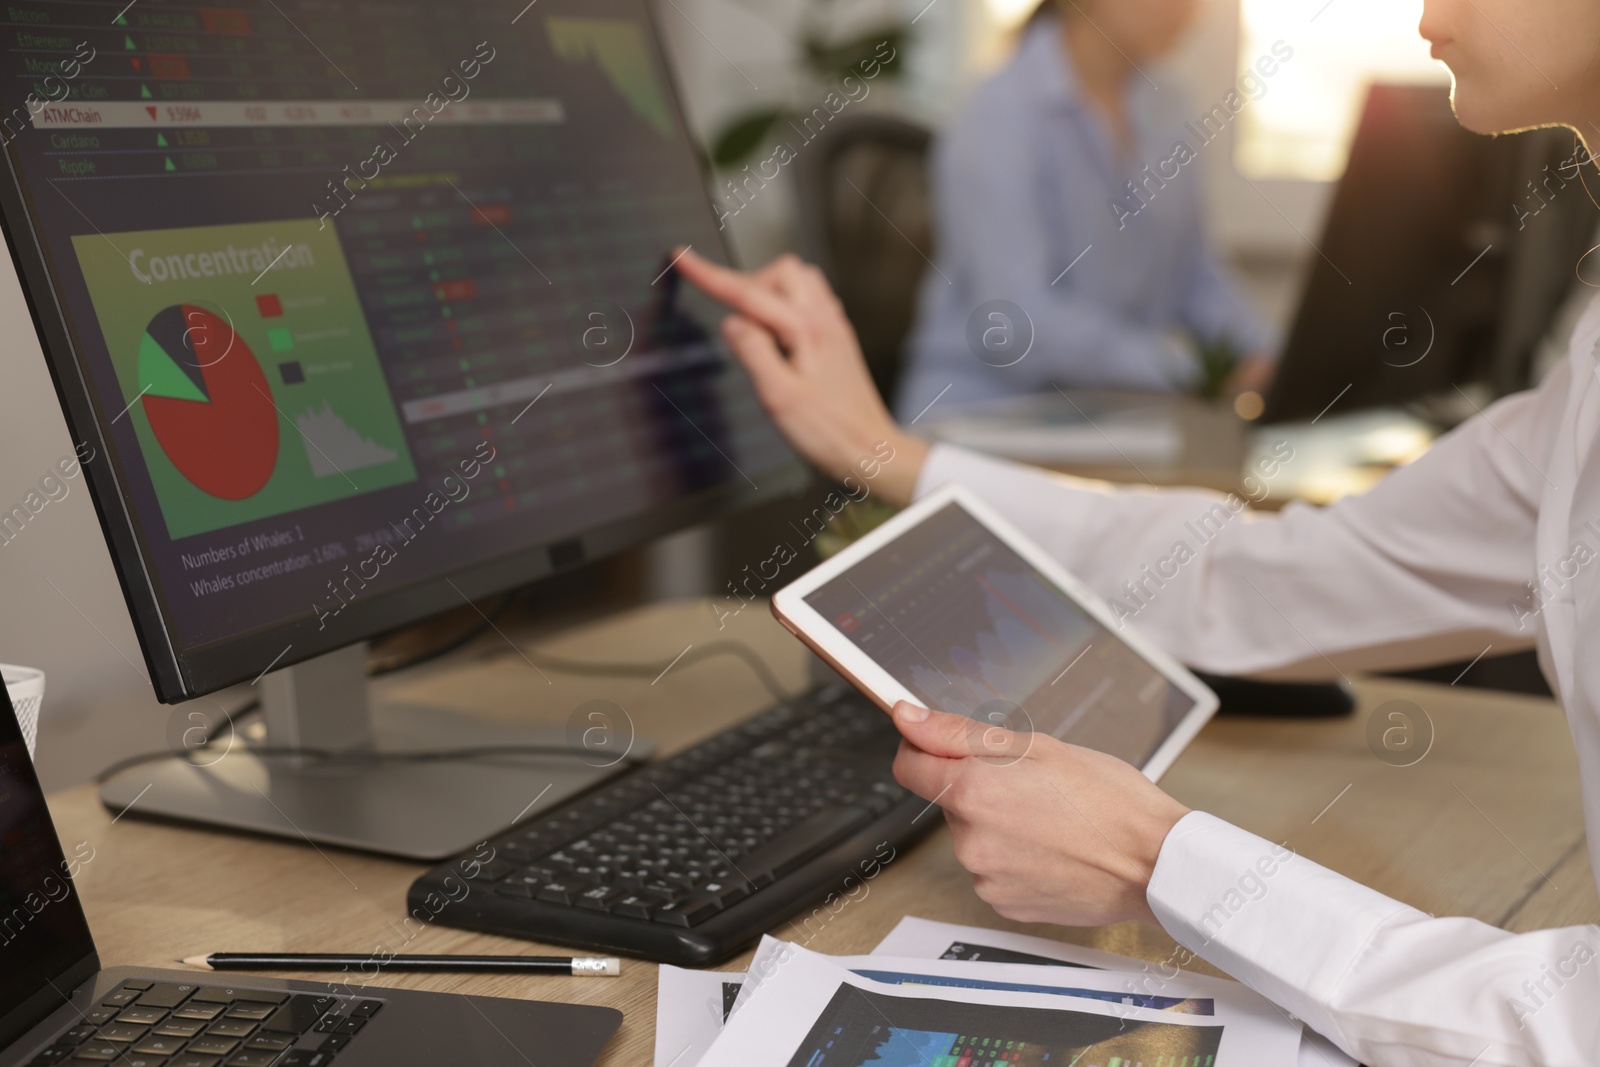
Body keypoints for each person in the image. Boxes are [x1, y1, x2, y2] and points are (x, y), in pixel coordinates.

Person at [674, 0, 1600, 1059]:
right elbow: (1271, 574)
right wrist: (894, 457)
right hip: (1011, 409)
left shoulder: (1162, 112)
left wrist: (1168, 860)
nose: (1427, 11)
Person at [895, 0, 1276, 422]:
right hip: (984, 418)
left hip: (1109, 418)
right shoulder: (999, 113)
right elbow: (1020, 323)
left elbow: (1196, 278)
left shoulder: (1169, 106)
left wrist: (1270, 360)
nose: (1191, 10)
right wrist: (1194, 369)